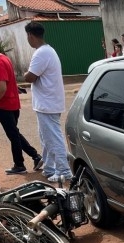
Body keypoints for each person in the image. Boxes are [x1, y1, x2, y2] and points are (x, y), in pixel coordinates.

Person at [23, 22, 73, 182]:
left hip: (47, 104)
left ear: (30, 35)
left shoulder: (41, 53)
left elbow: (30, 76)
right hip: (47, 103)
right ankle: (50, 167)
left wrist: (25, 74)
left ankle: (64, 171)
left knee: (52, 138)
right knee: (45, 138)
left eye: (27, 36)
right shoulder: (47, 51)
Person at [0, 37, 42, 175]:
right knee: (15, 133)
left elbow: (2, 87)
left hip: (4, 104)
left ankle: (19, 165)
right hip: (12, 103)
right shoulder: (4, 58)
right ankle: (35, 156)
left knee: (13, 135)